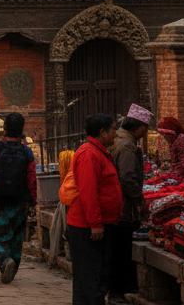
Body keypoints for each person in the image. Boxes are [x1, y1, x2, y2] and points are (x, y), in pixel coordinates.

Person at [67, 114, 123, 305]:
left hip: (99, 223)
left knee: (98, 276)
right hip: (87, 227)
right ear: (102, 132)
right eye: (113, 130)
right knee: (89, 277)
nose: (115, 134)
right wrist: (96, 224)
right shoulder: (89, 154)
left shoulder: (99, 152)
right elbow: (88, 192)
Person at [0, 111, 37, 284]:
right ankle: (12, 265)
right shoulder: (27, 152)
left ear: (4, 128)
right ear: (22, 129)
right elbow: (32, 179)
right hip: (20, 201)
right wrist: (32, 201)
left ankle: (5, 261)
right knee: (17, 236)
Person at [109, 113, 148, 302]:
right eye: (144, 128)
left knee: (118, 250)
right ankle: (118, 290)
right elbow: (127, 178)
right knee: (121, 251)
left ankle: (118, 289)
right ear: (136, 127)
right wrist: (139, 199)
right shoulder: (126, 146)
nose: (146, 132)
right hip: (123, 207)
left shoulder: (119, 141)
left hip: (118, 204)